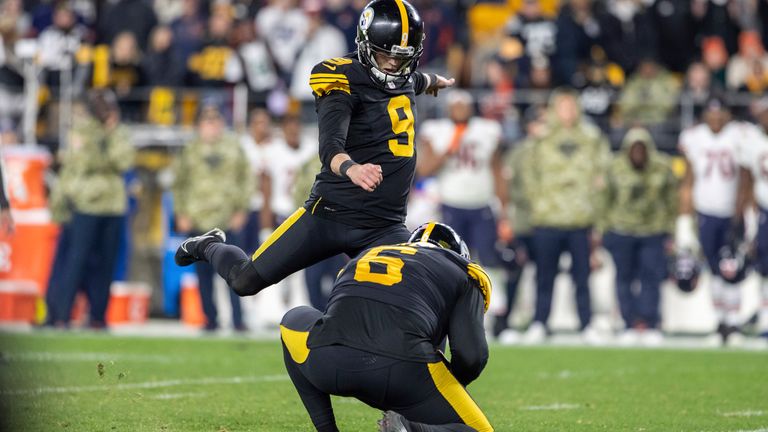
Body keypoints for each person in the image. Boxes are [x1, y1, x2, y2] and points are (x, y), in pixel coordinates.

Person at [174, 0, 454, 298]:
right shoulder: (341, 79)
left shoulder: (404, 76)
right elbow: (331, 145)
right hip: (331, 215)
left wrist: (433, 81)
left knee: (411, 299)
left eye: (403, 57)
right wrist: (352, 168)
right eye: (386, 55)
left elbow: (411, 79)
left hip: (384, 224)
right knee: (245, 281)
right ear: (365, 44)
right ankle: (208, 244)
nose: (393, 65)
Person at [279, 222, 493, 432]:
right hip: (401, 372)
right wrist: (451, 385)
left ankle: (326, 428)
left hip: (328, 361)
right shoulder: (464, 272)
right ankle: (411, 428)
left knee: (291, 322)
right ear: (459, 256)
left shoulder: (366, 256)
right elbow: (471, 355)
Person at [521, 88, 610, 344]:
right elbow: (528, 173)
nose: (567, 112)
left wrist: (596, 212)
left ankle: (587, 325)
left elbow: (602, 175)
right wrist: (537, 204)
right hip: (548, 218)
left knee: (582, 277)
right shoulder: (542, 137)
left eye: (571, 106)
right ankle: (539, 322)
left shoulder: (591, 137)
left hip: (580, 220)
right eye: (562, 106)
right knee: (544, 275)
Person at [45, 90, 135, 328]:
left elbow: (124, 161)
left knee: (106, 265)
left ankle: (97, 316)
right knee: (74, 262)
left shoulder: (120, 133)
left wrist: (109, 135)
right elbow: (84, 162)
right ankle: (61, 314)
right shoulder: (83, 131)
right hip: (85, 205)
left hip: (113, 207)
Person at [416, 89, 507, 321]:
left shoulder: (487, 130)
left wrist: (505, 210)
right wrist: (450, 147)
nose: (460, 109)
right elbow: (424, 170)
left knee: (488, 256)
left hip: (481, 203)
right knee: (451, 260)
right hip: (451, 204)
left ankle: (495, 306)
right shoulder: (437, 131)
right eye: (455, 105)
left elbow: (497, 170)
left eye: (463, 104)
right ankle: (451, 306)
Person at [172, 104, 250, 331]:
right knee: (203, 275)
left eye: (215, 118)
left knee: (236, 271)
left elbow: (246, 179)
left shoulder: (234, 148)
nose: (211, 124)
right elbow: (178, 184)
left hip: (227, 219)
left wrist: (241, 209)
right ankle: (210, 319)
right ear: (198, 124)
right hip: (198, 219)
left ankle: (238, 320)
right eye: (206, 119)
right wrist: (181, 213)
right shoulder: (189, 151)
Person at [598, 127, 678, 345]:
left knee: (651, 277)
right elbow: (605, 199)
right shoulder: (614, 167)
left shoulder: (662, 166)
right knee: (624, 278)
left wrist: (672, 230)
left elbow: (672, 199)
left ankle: (651, 323)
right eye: (634, 149)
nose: (638, 153)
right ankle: (629, 323)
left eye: (642, 149)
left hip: (653, 230)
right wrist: (602, 229)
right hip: (621, 229)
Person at [678, 96, 747, 343]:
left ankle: (734, 323)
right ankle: (720, 323)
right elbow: (688, 180)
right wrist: (684, 221)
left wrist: (743, 212)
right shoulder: (694, 137)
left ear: (727, 115)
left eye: (720, 114)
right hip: (705, 212)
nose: (716, 118)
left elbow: (746, 177)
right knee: (714, 270)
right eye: (711, 113)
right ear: (705, 115)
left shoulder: (739, 134)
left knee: (732, 269)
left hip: (731, 212)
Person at [735, 97, 768, 338]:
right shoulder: (752, 141)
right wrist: (744, 215)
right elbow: (746, 182)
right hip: (764, 210)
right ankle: (761, 317)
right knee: (761, 266)